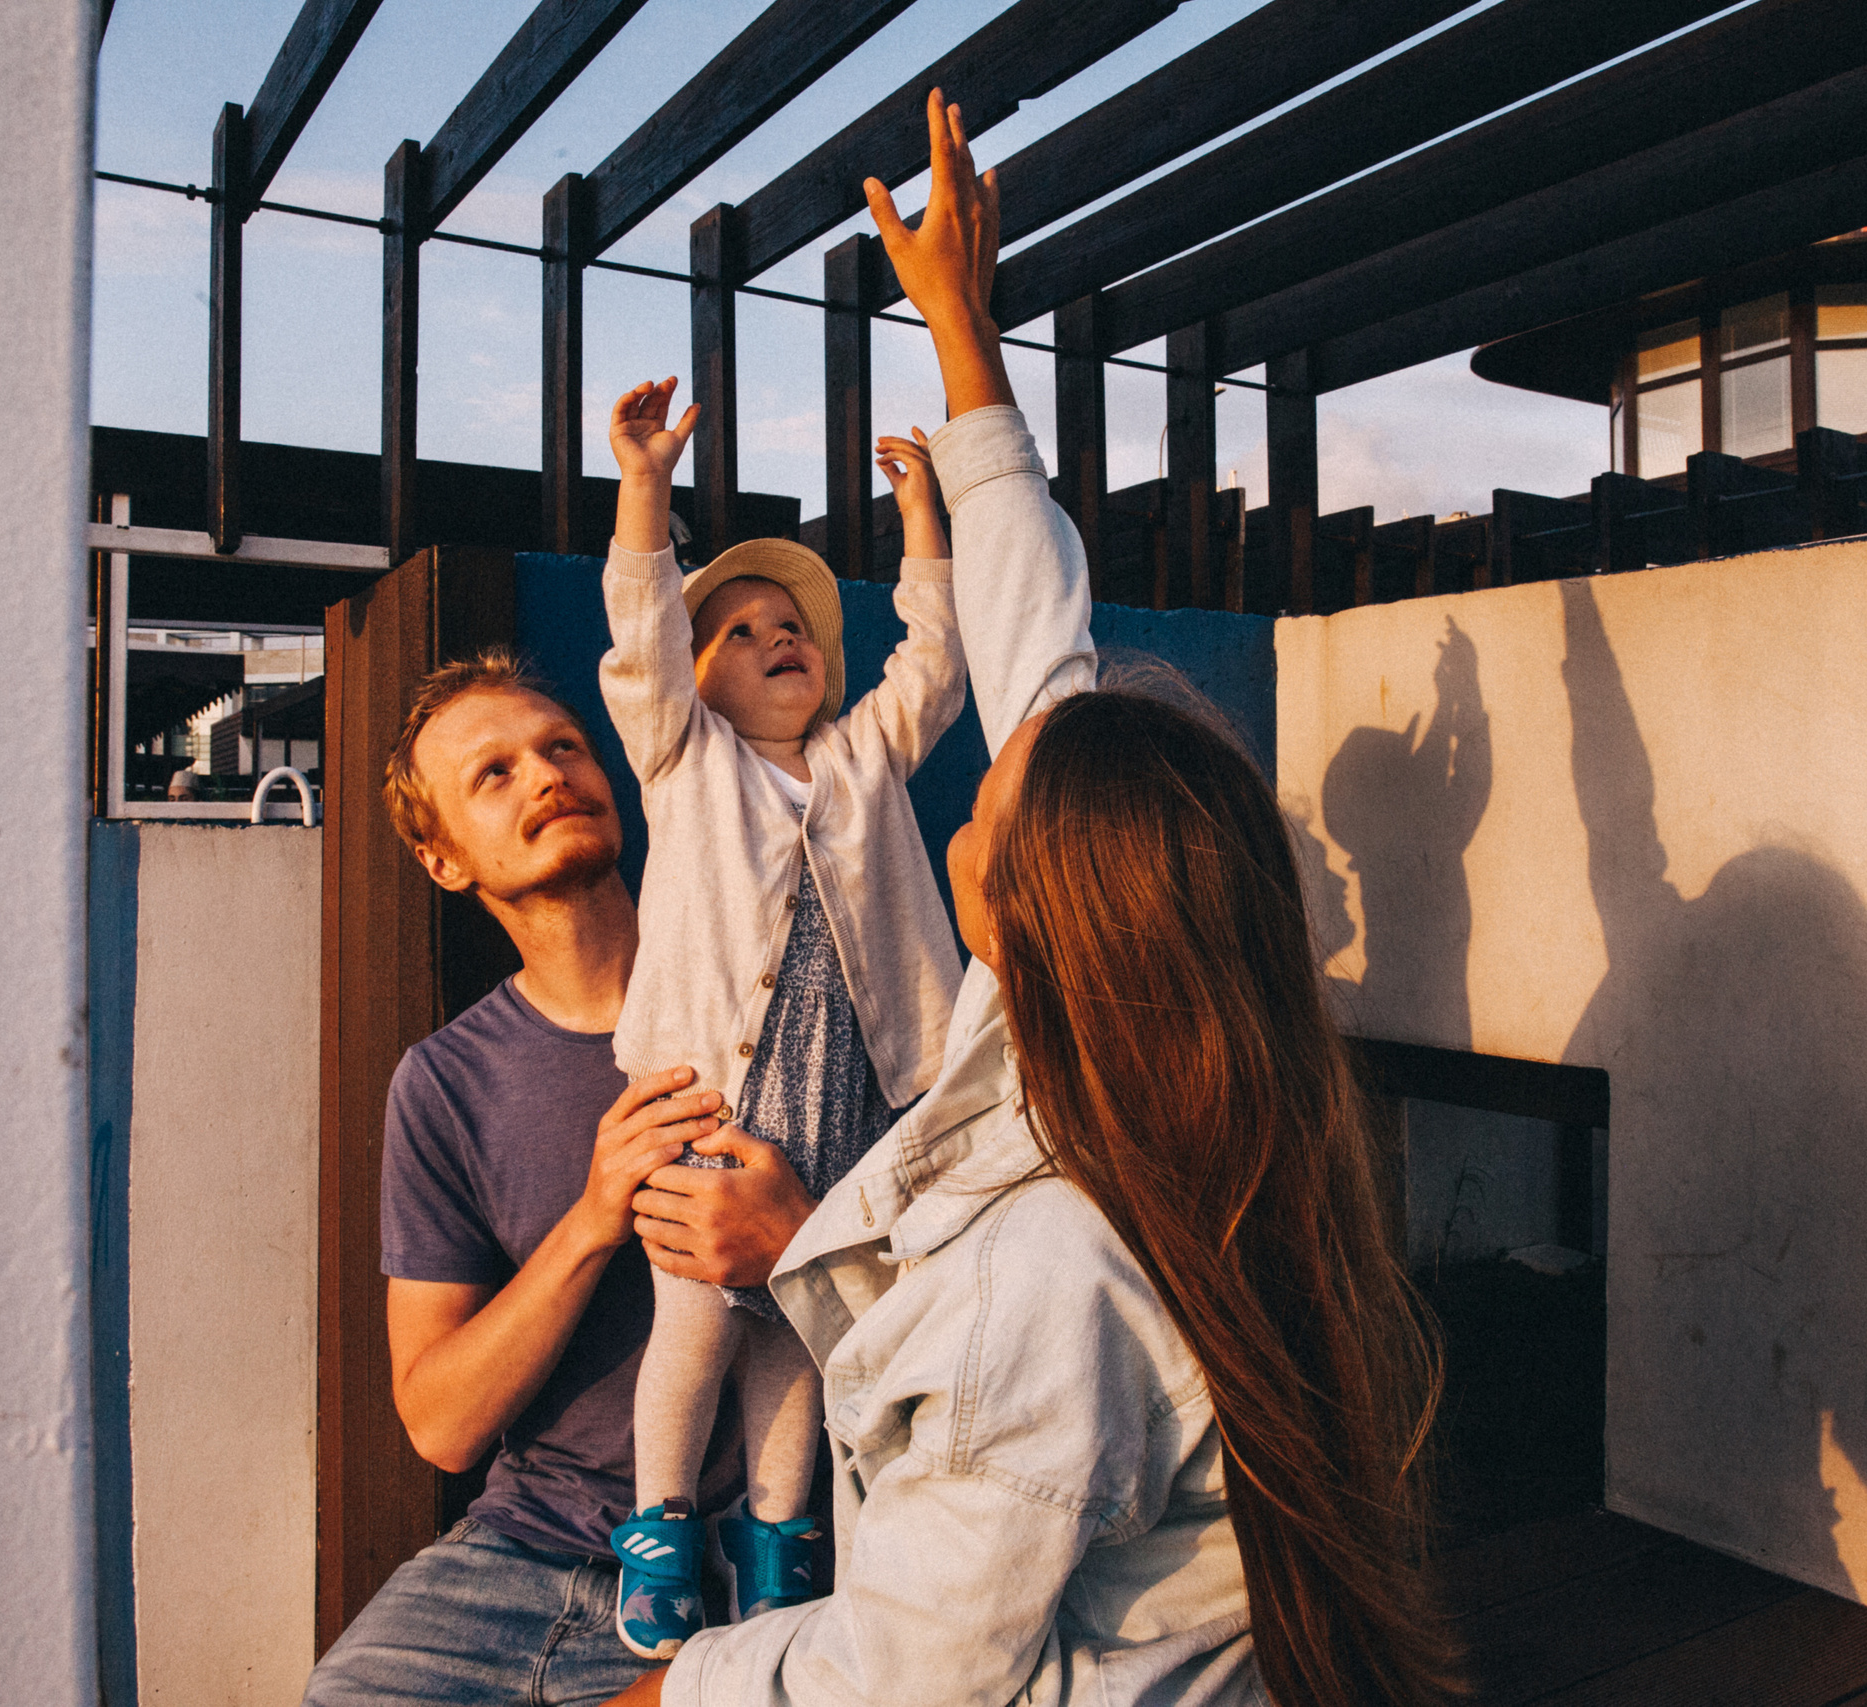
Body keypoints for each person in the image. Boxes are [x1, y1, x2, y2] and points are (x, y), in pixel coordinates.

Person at [610, 94, 1456, 1707]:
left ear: (1041, 909)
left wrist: (669, 1689)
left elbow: (915, 1671)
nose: (978, 794)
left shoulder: (1051, 1265)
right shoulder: (1207, 1106)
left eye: (994, 802)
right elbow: (1037, 642)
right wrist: (961, 333)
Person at [298, 655, 822, 1707]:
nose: (544, 775)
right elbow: (440, 1421)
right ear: (441, 860)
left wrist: (796, 1236)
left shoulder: (782, 997)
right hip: (521, 1557)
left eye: (562, 747)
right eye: (493, 774)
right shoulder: (446, 1082)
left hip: (757, 1571)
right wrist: (592, 1220)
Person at [595, 373, 965, 1657]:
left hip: (851, 1109)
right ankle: (657, 1523)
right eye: (740, 632)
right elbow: (639, 635)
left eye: (791, 627)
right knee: (694, 1325)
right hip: (711, 1103)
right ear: (697, 682)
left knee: (799, 1339)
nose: (775, 640)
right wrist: (645, 485)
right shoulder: (686, 759)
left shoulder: (864, 759)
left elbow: (933, 668)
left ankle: (778, 1532)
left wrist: (924, 519)